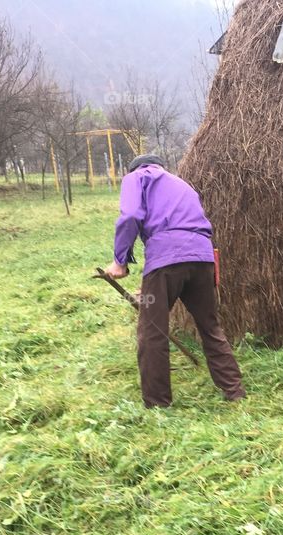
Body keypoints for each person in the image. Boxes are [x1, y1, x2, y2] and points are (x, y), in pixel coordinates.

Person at [104, 154, 246, 408]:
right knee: (210, 327)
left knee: (152, 331)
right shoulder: (182, 184)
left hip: (166, 259)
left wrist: (120, 261)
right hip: (202, 258)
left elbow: (130, 216)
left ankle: (158, 404)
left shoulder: (136, 177)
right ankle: (234, 390)